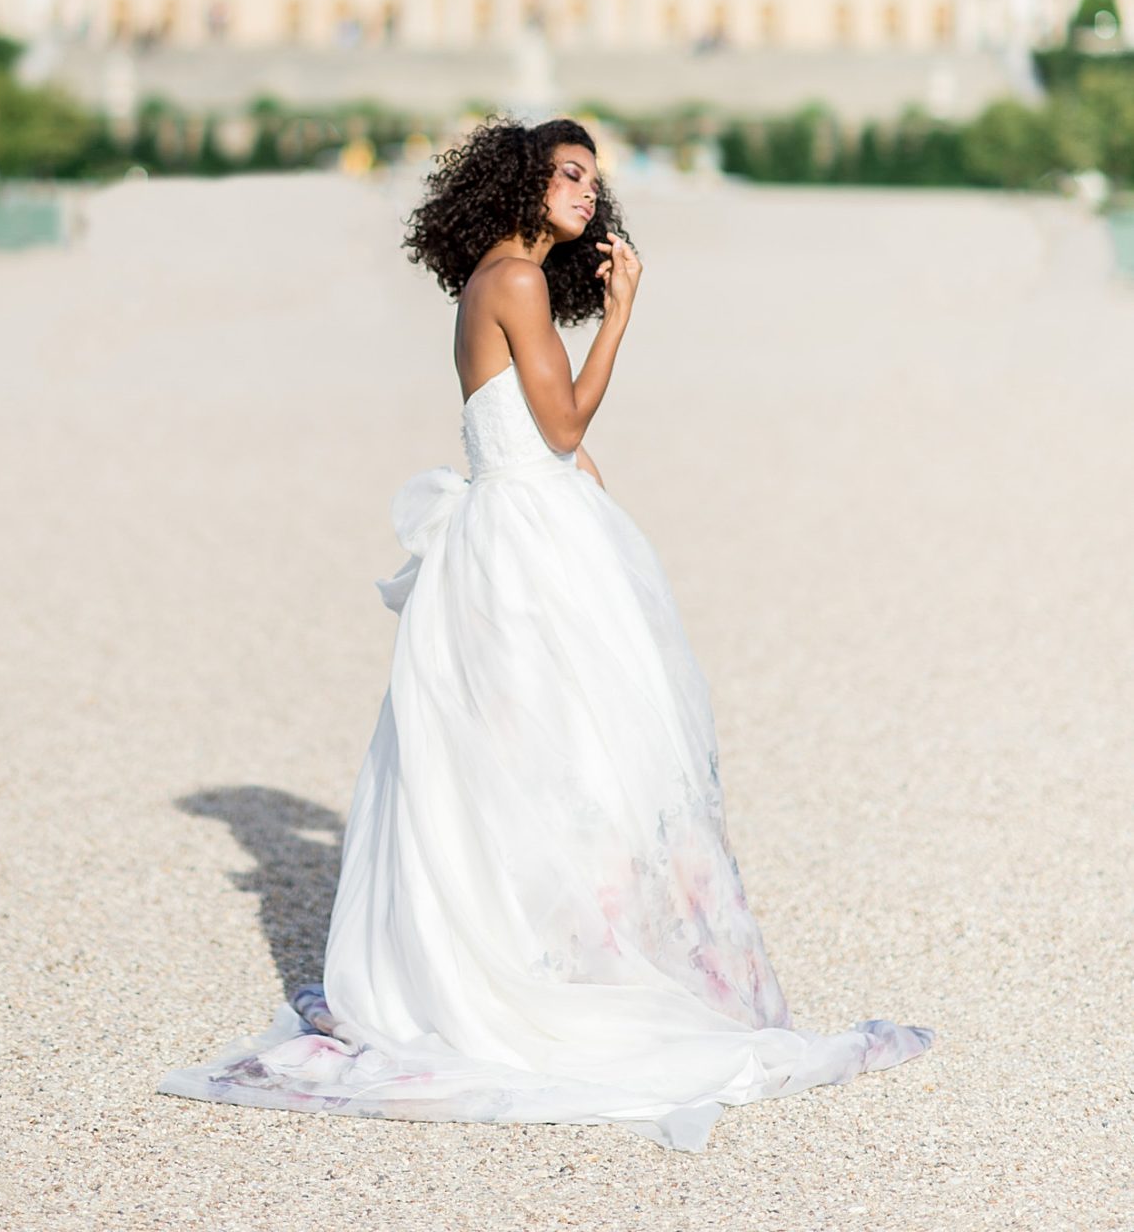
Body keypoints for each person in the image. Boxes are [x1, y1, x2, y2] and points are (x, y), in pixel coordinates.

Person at [159, 115, 933, 1151]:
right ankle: (560, 973)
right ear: (521, 181)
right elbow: (563, 424)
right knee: (578, 759)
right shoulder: (516, 279)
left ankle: (538, 954)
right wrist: (620, 313)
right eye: (567, 172)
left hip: (518, 523)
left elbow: (528, 431)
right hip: (524, 543)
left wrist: (576, 475)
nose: (584, 190)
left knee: (525, 765)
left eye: (592, 178)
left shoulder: (498, 274)